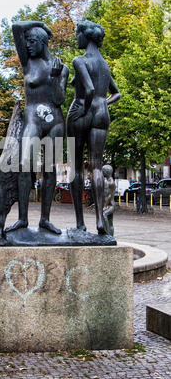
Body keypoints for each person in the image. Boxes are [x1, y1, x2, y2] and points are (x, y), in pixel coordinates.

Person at [6, 21, 69, 234]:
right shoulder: (27, 62)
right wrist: (41, 24)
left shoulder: (62, 66)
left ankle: (45, 220)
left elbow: (59, 99)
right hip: (32, 117)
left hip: (55, 121)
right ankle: (22, 219)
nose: (28, 45)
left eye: (32, 42)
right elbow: (16, 28)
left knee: (50, 171)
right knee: (24, 165)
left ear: (42, 43)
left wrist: (55, 76)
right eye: (28, 42)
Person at [67, 20, 121, 234]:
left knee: (76, 166)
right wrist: (102, 104)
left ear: (86, 36)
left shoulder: (79, 60)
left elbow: (88, 89)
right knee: (97, 166)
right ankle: (99, 220)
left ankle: (80, 223)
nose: (76, 38)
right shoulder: (105, 65)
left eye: (77, 34)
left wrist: (86, 108)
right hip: (101, 113)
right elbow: (116, 93)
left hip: (81, 110)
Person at [102, 165, 115, 236]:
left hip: (111, 205)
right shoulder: (107, 180)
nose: (102, 173)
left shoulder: (111, 182)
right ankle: (110, 235)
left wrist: (105, 205)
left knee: (104, 215)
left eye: (103, 171)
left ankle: (107, 234)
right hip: (108, 203)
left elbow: (110, 195)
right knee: (110, 221)